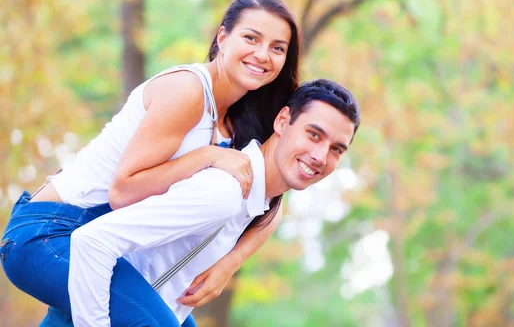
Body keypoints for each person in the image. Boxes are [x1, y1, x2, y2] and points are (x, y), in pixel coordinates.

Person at [0, 0, 301, 326]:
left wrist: (228, 265)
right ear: (222, 37)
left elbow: (270, 197)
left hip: (109, 249)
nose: (262, 54)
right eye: (251, 38)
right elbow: (123, 191)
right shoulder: (188, 90)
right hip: (51, 233)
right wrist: (208, 156)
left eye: (277, 48)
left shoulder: (240, 119)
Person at [67, 79, 361, 326]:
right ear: (283, 121)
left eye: (336, 149)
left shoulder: (262, 205)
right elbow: (92, 242)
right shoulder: (224, 191)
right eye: (313, 134)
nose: (320, 156)